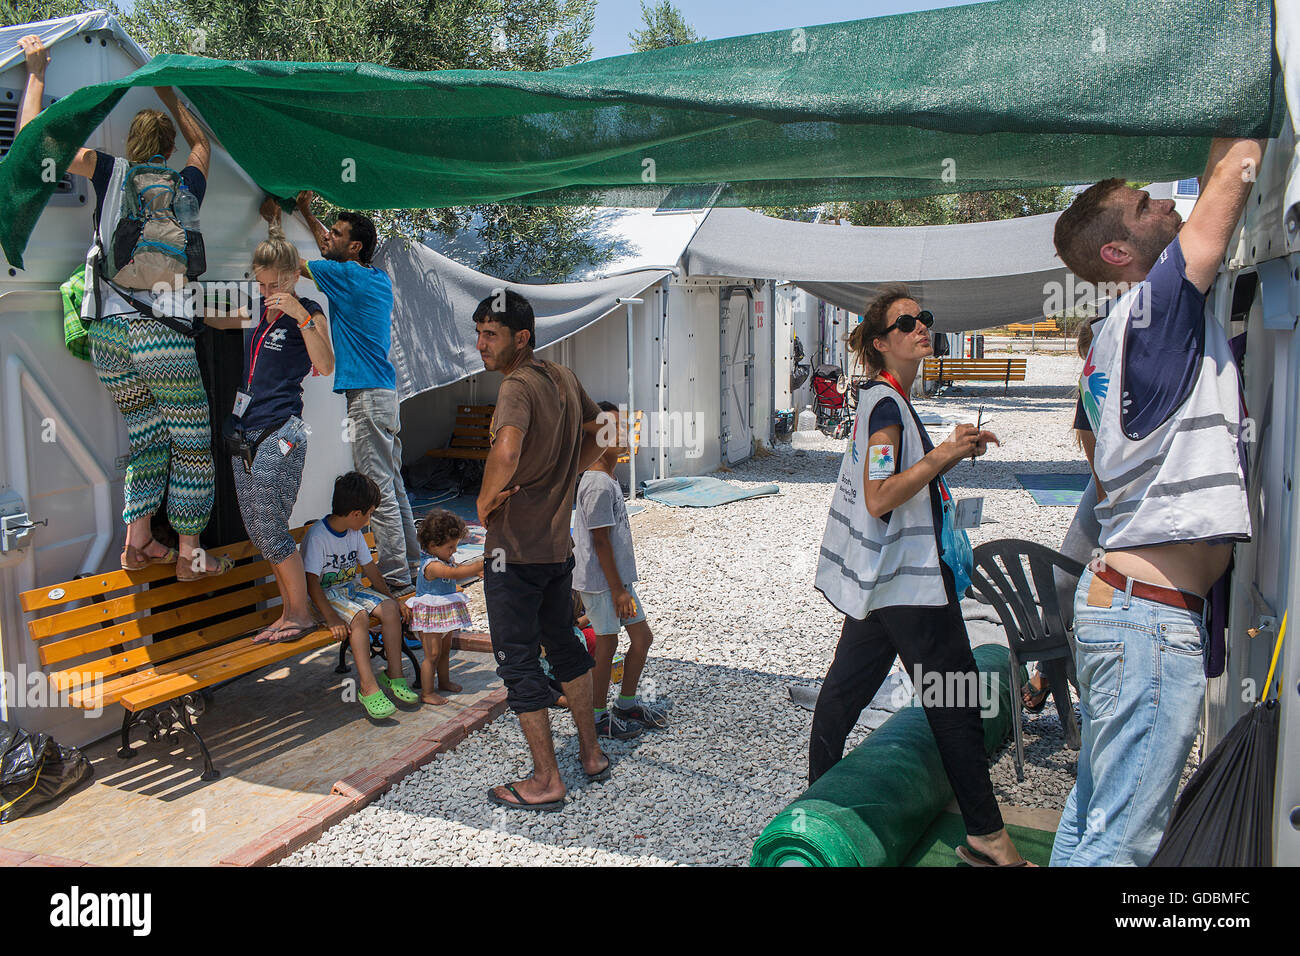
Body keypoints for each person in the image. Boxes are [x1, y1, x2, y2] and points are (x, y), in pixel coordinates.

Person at [1048, 137, 1263, 866]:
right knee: (1120, 845)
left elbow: (1103, 473)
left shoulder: (1113, 336)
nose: (1166, 202)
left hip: (1124, 604)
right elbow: (1235, 173)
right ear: (1118, 251)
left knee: (1095, 817)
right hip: (1147, 619)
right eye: (1145, 204)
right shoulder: (1156, 307)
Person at [811, 285, 1030, 867]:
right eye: (906, 323)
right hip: (910, 586)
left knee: (843, 694)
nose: (920, 328)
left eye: (924, 319)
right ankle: (987, 837)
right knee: (954, 704)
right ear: (881, 344)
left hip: (887, 583)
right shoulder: (885, 406)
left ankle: (813, 804)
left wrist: (947, 453)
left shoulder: (889, 402)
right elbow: (879, 495)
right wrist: (944, 457)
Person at [16, 34, 228, 579]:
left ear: (132, 144)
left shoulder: (108, 173)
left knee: (148, 437)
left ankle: (136, 545)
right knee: (192, 442)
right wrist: (168, 89)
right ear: (165, 150)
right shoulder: (185, 184)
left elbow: (32, 143)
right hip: (162, 335)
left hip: (108, 333)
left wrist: (37, 74)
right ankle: (188, 554)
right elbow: (203, 145)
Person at [474, 289, 608, 811]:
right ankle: (591, 755)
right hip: (556, 547)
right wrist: (572, 471)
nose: (481, 344)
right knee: (568, 648)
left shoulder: (516, 385)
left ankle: (546, 779)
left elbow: (506, 449)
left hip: (514, 552)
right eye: (479, 333)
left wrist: (484, 501)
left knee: (518, 663)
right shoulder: (563, 377)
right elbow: (608, 429)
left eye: (491, 334)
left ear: (521, 338)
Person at [211, 215, 335, 644]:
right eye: (259, 284)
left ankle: (300, 615)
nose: (264, 292)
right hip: (245, 431)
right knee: (261, 527)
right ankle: (289, 613)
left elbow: (326, 364)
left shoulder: (309, 311)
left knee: (269, 525)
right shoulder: (260, 312)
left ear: (288, 276)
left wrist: (300, 312)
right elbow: (220, 321)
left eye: (269, 285)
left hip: (281, 431)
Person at [290, 193, 420, 594]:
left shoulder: (345, 278)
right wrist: (309, 214)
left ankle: (398, 582)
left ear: (356, 246)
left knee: (374, 495)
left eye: (338, 233)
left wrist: (279, 222)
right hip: (384, 395)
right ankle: (415, 566)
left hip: (365, 398)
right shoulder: (374, 277)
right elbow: (330, 249)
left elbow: (296, 262)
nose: (328, 236)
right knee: (393, 486)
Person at [573, 402, 669, 739]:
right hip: (603, 585)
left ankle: (625, 703)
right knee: (607, 644)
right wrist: (617, 590)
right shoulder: (597, 483)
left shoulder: (608, 478)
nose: (624, 434)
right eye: (613, 429)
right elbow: (600, 543)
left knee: (641, 638)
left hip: (617, 582)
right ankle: (598, 716)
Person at [302, 472, 413, 720]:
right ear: (355, 514)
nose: (369, 519)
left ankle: (394, 674)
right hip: (326, 598)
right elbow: (311, 583)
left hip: (351, 591)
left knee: (389, 610)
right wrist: (331, 618)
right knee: (360, 617)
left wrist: (392, 600)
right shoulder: (318, 537)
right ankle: (367, 686)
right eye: (369, 514)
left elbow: (370, 569)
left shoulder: (354, 533)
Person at [409, 509, 484, 705]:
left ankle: (444, 681)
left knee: (444, 650)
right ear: (433, 546)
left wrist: (475, 570)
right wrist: (476, 566)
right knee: (431, 654)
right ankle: (427, 692)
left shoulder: (443, 558)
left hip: (443, 614)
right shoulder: (431, 565)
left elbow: (455, 569)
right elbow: (454, 574)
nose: (454, 551)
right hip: (431, 616)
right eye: (450, 547)